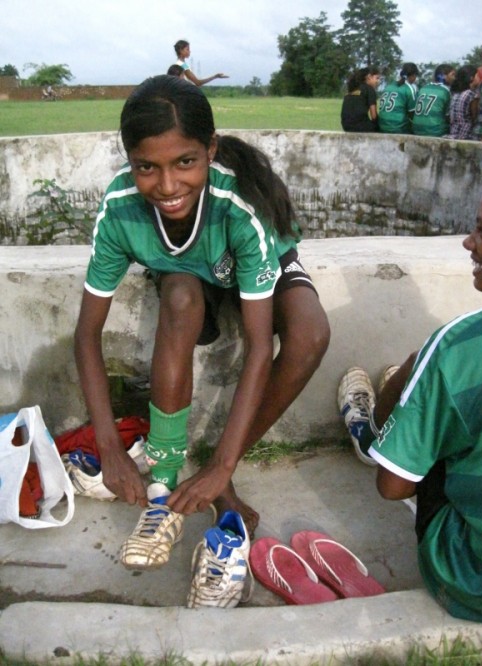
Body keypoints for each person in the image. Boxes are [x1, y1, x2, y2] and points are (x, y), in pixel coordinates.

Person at [74, 75, 330, 570]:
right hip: (192, 274)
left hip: (258, 260)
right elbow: (87, 334)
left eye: (185, 163)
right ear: (129, 161)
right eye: (146, 167)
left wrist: (222, 465)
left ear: (209, 150)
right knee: (179, 297)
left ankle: (219, 474)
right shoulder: (121, 210)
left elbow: (259, 346)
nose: (167, 186)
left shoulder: (240, 207)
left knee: (310, 334)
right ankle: (163, 483)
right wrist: (108, 447)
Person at [337, 177, 482, 623]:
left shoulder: (456, 346)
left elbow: (394, 489)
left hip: (478, 583)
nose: (468, 242)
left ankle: (378, 432)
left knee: (427, 388)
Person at [412, 64, 456, 137]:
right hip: (435, 131)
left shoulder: (423, 88)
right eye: (452, 75)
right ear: (444, 76)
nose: (454, 78)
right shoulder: (446, 91)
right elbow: (448, 116)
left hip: (416, 129)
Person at [378, 63, 419, 134]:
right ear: (413, 75)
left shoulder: (389, 86)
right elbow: (412, 114)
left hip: (382, 126)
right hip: (397, 128)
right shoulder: (410, 88)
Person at [340, 66, 381, 133]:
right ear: (369, 77)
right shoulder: (370, 89)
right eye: (377, 78)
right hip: (360, 127)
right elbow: (373, 115)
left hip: (346, 126)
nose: (378, 81)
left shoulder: (353, 88)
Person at [444, 65, 479, 140]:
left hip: (453, 132)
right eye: (477, 76)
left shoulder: (456, 94)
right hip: (466, 133)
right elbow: (474, 117)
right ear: (471, 78)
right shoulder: (471, 94)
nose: (480, 78)